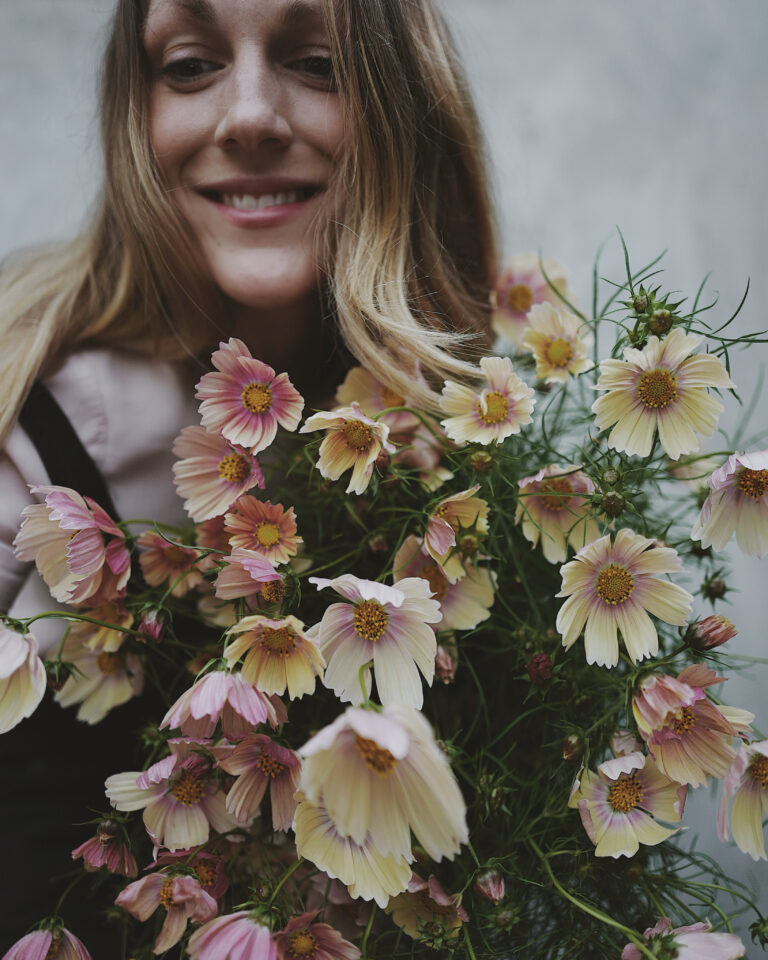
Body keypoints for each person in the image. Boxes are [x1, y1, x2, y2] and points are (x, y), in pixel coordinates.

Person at [0, 0, 496, 950]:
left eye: (319, 64)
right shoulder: (31, 410)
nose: (252, 116)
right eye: (190, 66)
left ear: (407, 106)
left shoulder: (462, 443)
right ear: (134, 115)